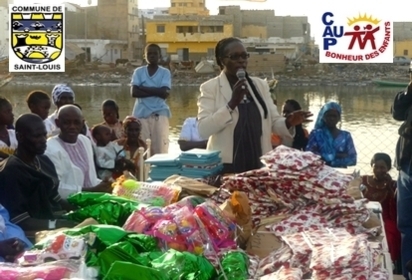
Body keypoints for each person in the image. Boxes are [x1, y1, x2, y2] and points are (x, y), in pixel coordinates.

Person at [197, 37, 312, 174]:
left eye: (244, 56)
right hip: (226, 165)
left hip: (259, 163)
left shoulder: (260, 86)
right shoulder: (210, 88)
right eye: (234, 56)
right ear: (222, 60)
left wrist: (289, 122)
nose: (241, 60)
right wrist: (232, 103)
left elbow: (273, 122)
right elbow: (203, 129)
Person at [0, 114, 75, 232]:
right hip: (31, 233)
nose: (44, 140)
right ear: (20, 137)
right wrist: (58, 224)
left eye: (44, 135)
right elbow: (20, 221)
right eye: (37, 136)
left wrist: (81, 210)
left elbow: (55, 199)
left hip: (52, 220)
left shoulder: (44, 161)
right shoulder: (10, 172)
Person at [45, 105, 112, 199]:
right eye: (66, 123)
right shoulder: (50, 148)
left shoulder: (85, 141)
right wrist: (92, 191)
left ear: (82, 123)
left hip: (93, 198)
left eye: (77, 123)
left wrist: (105, 184)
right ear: (58, 123)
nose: (72, 126)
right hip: (68, 205)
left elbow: (90, 179)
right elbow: (55, 188)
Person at [130, 43, 171, 155]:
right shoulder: (138, 72)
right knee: (142, 149)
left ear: (160, 56)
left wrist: (142, 88)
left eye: (155, 53)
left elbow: (164, 93)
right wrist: (156, 90)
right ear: (145, 55)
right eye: (149, 53)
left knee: (160, 149)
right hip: (141, 115)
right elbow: (134, 92)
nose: (152, 56)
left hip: (159, 114)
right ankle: (143, 172)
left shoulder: (165, 72)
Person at [361, 153, 401, 263]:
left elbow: (396, 202)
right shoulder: (363, 180)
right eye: (376, 167)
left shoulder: (392, 185)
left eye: (382, 167)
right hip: (363, 216)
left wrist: (389, 187)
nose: (379, 170)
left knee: (390, 236)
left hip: (384, 218)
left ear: (388, 168)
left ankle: (388, 262)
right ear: (372, 166)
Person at [392, 77, 412, 279]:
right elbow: (397, 113)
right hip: (407, 165)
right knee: (406, 224)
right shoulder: (410, 94)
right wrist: (409, 90)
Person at [306, 101, 357, 168]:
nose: (332, 118)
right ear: (323, 117)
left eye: (334, 116)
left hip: (341, 173)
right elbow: (309, 155)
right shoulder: (316, 134)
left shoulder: (346, 136)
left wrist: (329, 160)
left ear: (339, 118)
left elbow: (353, 159)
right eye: (329, 116)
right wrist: (338, 155)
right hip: (320, 171)